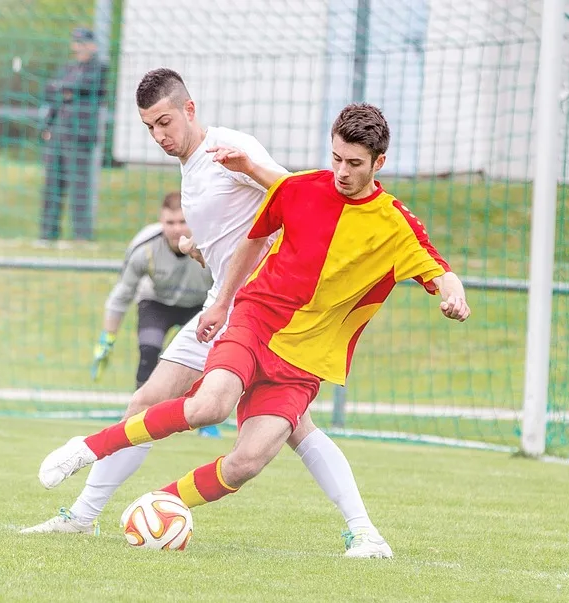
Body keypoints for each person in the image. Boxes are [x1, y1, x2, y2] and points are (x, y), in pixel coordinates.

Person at [35, 102, 472, 557]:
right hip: (255, 318)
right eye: (336, 158)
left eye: (354, 164)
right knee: (209, 405)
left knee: (247, 463)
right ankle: (86, 448)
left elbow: (438, 269)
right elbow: (255, 239)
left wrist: (453, 294)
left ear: (379, 163)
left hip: (305, 357)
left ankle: (161, 503)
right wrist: (223, 302)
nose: (341, 171)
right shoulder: (302, 188)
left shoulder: (395, 225)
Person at [90, 191, 221, 437]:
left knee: (199, 360)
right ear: (161, 222)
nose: (176, 229)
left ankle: (204, 417)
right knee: (149, 350)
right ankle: (137, 422)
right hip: (157, 303)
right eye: (170, 223)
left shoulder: (211, 245)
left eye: (182, 222)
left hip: (199, 306)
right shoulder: (145, 248)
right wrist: (107, 338)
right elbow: (122, 294)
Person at [39, 27, 108, 242]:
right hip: (59, 131)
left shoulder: (98, 68)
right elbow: (52, 91)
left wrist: (66, 89)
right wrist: (48, 126)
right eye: (76, 43)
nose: (78, 47)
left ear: (92, 45)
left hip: (80, 135)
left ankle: (81, 236)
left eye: (83, 43)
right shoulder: (69, 68)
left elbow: (79, 87)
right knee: (52, 185)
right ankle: (48, 235)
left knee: (79, 188)